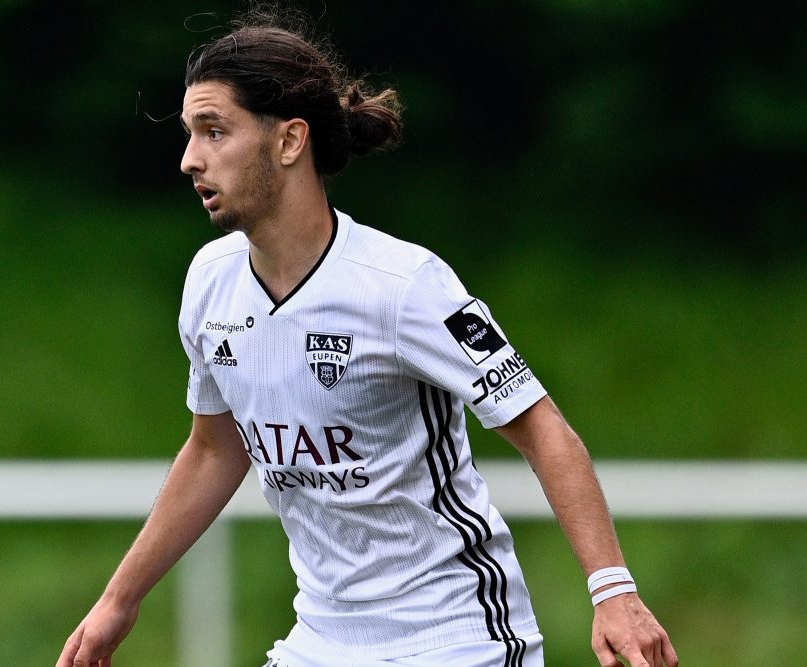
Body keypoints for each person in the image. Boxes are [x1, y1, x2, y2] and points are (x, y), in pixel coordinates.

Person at [57, 6, 678, 667]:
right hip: (320, 641)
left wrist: (613, 590)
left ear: (289, 141)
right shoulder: (211, 284)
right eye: (189, 134)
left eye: (214, 131)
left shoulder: (404, 284)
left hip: (454, 639)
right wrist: (118, 600)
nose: (189, 160)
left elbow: (543, 426)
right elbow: (214, 449)